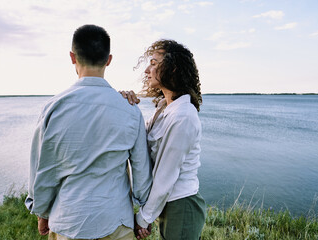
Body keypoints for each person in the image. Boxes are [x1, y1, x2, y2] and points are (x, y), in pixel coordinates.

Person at [25, 24, 152, 240]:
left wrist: (41, 212)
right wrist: (143, 214)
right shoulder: (130, 110)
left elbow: (42, 169)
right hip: (115, 221)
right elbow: (141, 170)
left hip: (67, 220)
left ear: (72, 57)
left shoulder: (53, 109)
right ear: (108, 60)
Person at [121, 39, 206, 240]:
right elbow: (138, 138)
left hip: (182, 204)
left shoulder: (183, 116)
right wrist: (124, 103)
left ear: (173, 69)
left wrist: (143, 218)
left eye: (153, 63)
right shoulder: (164, 109)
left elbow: (166, 176)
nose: (146, 70)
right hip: (169, 204)